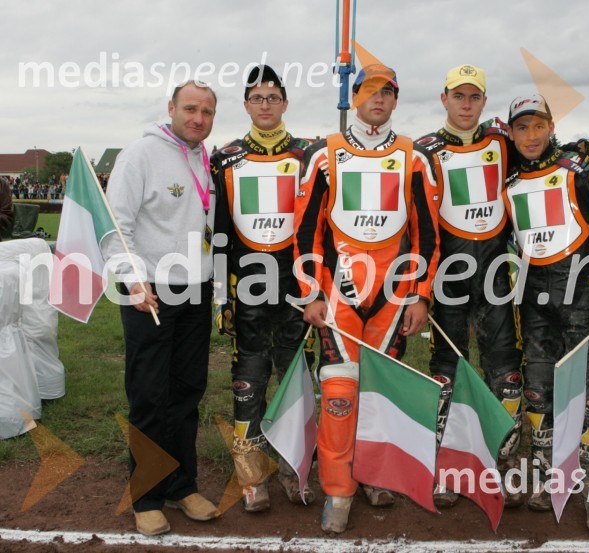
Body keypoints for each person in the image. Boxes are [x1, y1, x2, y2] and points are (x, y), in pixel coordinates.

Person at [294, 64, 439, 533]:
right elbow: (306, 233)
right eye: (370, 90)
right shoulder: (324, 154)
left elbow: (427, 236)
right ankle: (338, 489)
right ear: (354, 95)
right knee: (339, 391)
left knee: (380, 391)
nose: (379, 99)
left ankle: (376, 472)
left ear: (396, 101)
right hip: (338, 294)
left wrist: (420, 295)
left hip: (393, 298)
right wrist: (312, 291)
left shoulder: (414, 156)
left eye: (388, 92)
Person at [101, 80, 219, 536]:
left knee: (187, 392)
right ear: (171, 108)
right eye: (190, 109)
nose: (198, 118)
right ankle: (147, 496)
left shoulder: (203, 157)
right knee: (150, 394)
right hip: (149, 291)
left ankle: (181, 484)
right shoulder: (140, 154)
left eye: (207, 112)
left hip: (196, 289)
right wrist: (133, 279)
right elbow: (116, 226)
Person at [503, 94, 589, 529]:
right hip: (533, 297)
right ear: (511, 132)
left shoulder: (578, 173)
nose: (530, 135)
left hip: (580, 294)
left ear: (551, 127)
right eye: (521, 127)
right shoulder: (510, 180)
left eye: (538, 126)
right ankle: (550, 476)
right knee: (537, 391)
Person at [415, 65, 524, 508]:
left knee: (506, 367)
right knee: (447, 367)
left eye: (473, 96)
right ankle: (449, 464)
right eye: (457, 96)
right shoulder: (425, 149)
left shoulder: (501, 140)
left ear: (483, 100)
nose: (465, 104)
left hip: (496, 269)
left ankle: (506, 461)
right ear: (443, 98)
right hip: (449, 273)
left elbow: (540, 154)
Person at [211, 64, 313, 512]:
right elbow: (216, 234)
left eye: (273, 97)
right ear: (247, 105)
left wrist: (317, 288)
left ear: (285, 103)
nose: (266, 104)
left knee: (296, 382)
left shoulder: (310, 155)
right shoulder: (225, 158)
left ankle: (295, 469)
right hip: (247, 290)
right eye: (257, 97)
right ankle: (252, 476)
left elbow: (321, 230)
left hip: (297, 289)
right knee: (248, 383)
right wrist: (220, 297)